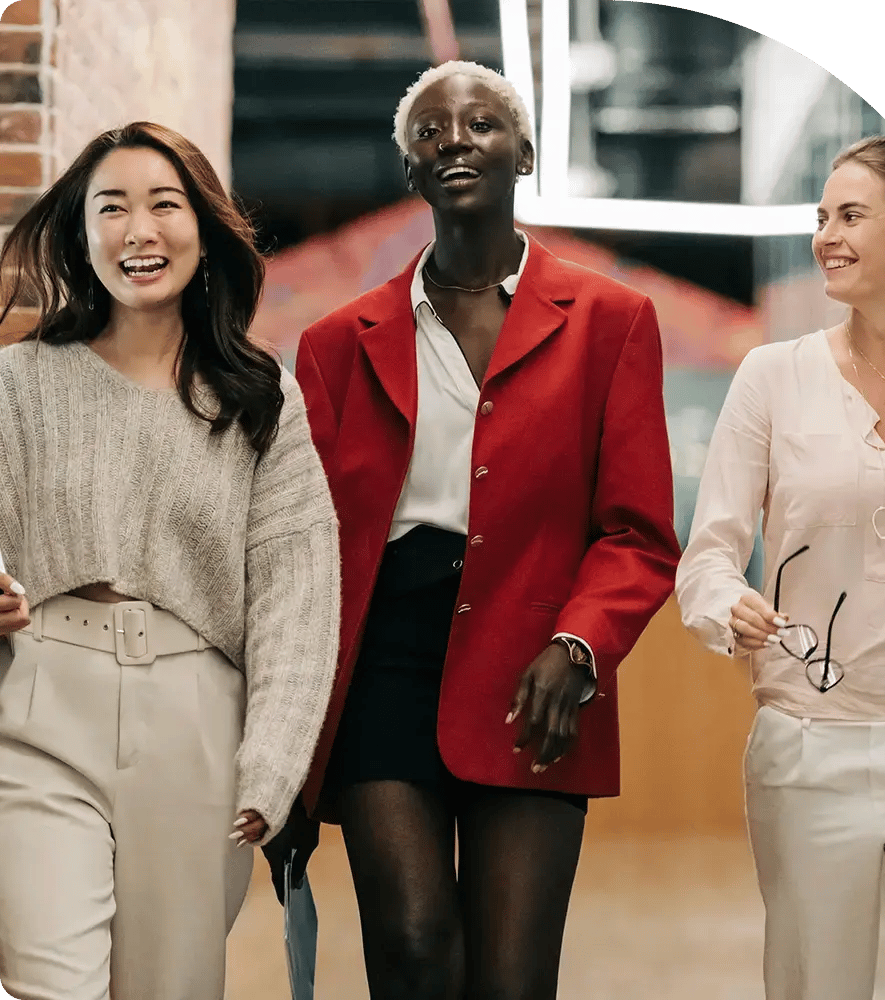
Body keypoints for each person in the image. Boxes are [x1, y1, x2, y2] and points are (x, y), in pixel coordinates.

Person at [262, 60, 681, 999]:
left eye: (483, 123)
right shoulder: (336, 343)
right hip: (381, 662)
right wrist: (286, 737)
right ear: (410, 168)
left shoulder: (613, 321)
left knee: (512, 976)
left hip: (539, 665)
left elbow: (640, 532)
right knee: (409, 947)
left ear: (525, 153)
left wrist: (578, 646)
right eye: (431, 131)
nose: (455, 140)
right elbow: (300, 550)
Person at [0, 122, 340, 1000]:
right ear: (82, 234)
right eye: (110, 208)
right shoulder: (19, 382)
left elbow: (297, 595)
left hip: (199, 728)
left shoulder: (261, 401)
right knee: (50, 985)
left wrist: (274, 759)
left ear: (205, 226)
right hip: (38, 704)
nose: (137, 231)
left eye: (163, 204)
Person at [676, 134, 885, 1000]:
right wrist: (727, 605)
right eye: (821, 218)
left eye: (851, 216)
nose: (826, 235)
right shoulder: (770, 378)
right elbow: (707, 557)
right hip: (807, 754)